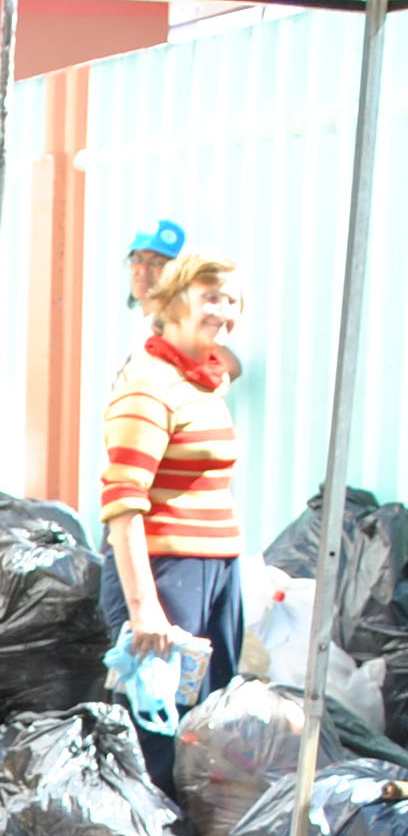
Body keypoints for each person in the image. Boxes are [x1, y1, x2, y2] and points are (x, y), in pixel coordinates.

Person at [99, 250, 244, 796]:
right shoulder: (147, 383)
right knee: (157, 733)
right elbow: (123, 501)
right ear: (175, 302)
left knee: (207, 727)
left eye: (231, 301)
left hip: (214, 570)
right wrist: (144, 611)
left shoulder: (205, 383)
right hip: (163, 571)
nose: (223, 311)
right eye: (210, 296)